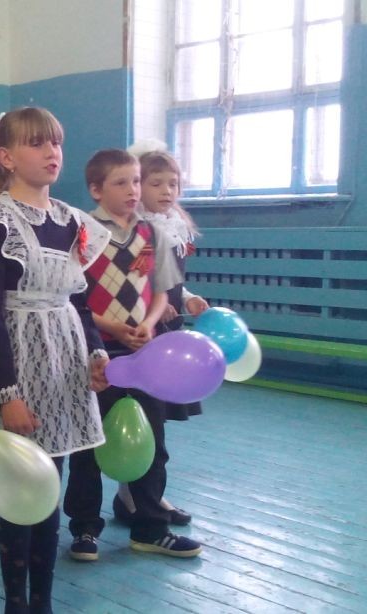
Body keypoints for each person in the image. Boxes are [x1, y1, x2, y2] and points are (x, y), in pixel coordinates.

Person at [0, 108, 110, 613]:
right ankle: (15, 602)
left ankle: (42, 602)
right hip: (18, 369)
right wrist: (7, 395)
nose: (52, 153)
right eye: (37, 143)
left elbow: (79, 301)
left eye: (56, 143)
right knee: (20, 494)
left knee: (50, 490)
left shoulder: (71, 221)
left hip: (64, 367)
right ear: (6, 157)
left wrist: (96, 352)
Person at [63, 149, 202, 561]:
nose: (133, 190)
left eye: (136, 181)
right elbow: (73, 298)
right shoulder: (82, 231)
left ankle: (150, 527)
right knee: (89, 443)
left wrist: (150, 323)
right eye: (121, 182)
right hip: (98, 352)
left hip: (145, 354)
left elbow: (161, 292)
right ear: (96, 190)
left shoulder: (153, 233)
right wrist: (111, 326)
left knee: (152, 441)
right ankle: (85, 528)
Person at [112, 143, 211, 526]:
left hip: (169, 333)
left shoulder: (175, 228)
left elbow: (170, 281)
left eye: (173, 183)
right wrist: (156, 304)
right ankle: (135, 498)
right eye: (156, 183)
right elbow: (138, 283)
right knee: (140, 421)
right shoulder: (137, 232)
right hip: (141, 334)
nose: (166, 191)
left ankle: (144, 496)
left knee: (158, 423)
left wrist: (186, 298)